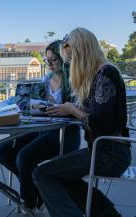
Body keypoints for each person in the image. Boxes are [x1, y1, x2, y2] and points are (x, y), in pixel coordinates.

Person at [32, 28, 130, 217]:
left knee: (42, 174)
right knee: (61, 177)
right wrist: (66, 109)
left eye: (72, 58)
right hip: (105, 150)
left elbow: (99, 124)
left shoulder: (105, 75)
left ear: (82, 52)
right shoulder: (102, 73)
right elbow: (99, 115)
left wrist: (72, 109)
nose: (72, 64)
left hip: (110, 153)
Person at [0, 40, 81, 216]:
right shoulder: (46, 80)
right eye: (46, 59)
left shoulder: (74, 81)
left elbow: (78, 111)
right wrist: (23, 104)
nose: (48, 63)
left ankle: (30, 202)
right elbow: (37, 108)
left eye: (53, 60)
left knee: (25, 157)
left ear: (64, 59)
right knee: (2, 152)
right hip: (42, 129)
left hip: (64, 133)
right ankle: (37, 192)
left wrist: (64, 109)